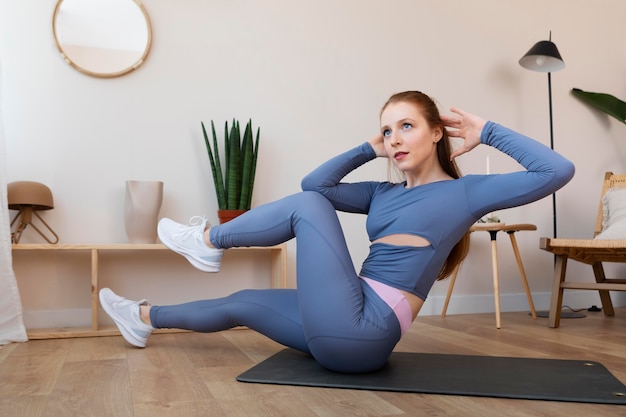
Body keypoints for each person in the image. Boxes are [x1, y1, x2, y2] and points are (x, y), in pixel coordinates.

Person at [100, 91, 575, 373]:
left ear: (437, 133)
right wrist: (368, 148)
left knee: (306, 209)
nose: (395, 139)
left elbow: (556, 170)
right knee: (242, 300)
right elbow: (318, 185)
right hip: (344, 322)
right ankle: (143, 317)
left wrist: (487, 129)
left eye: (406, 126)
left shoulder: (466, 193)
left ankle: (206, 243)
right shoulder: (381, 194)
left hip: (366, 330)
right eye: (387, 131)